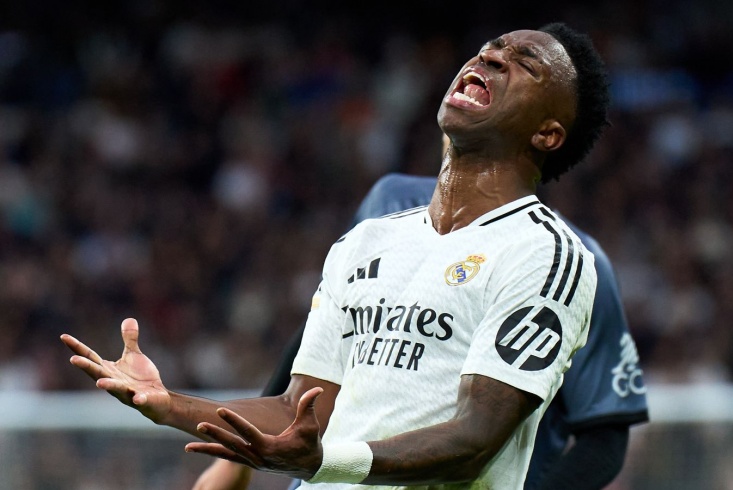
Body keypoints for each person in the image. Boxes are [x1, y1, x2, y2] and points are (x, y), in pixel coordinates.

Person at [62, 22, 609, 489]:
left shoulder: (544, 253)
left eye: (525, 63)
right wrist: (168, 404)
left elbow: (475, 440)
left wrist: (327, 462)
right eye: (492, 47)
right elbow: (297, 411)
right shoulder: (366, 242)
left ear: (548, 134)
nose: (491, 56)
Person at [193, 169, 649, 490]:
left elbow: (604, 437)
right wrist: (239, 461)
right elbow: (330, 331)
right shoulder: (390, 203)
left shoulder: (566, 262)